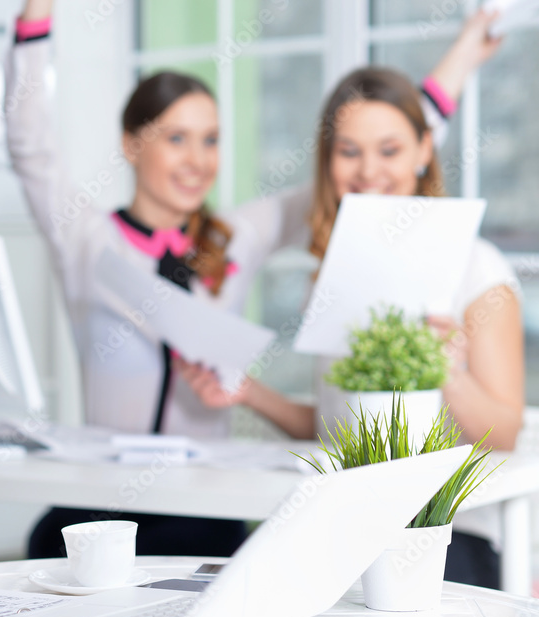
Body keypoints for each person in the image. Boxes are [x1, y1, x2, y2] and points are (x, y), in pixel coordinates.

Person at [8, 0, 507, 564]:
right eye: (176, 138)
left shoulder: (235, 237)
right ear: (131, 144)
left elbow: (369, 166)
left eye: (211, 139)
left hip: (205, 510)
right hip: (97, 504)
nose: (197, 159)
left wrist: (463, 56)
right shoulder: (87, 241)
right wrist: (35, 20)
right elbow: (31, 148)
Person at [184, 58, 522, 589]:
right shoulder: (333, 275)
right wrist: (248, 393)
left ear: (423, 150)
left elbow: (503, 435)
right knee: (235, 587)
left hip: (446, 532)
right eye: (348, 151)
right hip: (344, 521)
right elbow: (338, 428)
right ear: (327, 161)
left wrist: (447, 371)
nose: (368, 170)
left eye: (389, 150)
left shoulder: (478, 269)